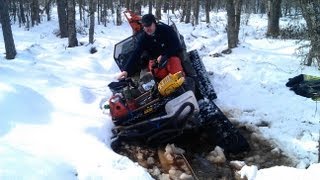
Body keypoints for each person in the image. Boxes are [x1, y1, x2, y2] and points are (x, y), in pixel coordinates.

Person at [117, 13, 185, 81]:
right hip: (155, 62)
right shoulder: (143, 38)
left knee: (176, 69)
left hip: (170, 56)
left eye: (149, 25)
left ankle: (183, 85)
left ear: (154, 23)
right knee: (151, 77)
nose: (147, 28)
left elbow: (176, 45)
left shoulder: (166, 30)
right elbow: (136, 53)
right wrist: (126, 71)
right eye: (145, 26)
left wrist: (165, 55)